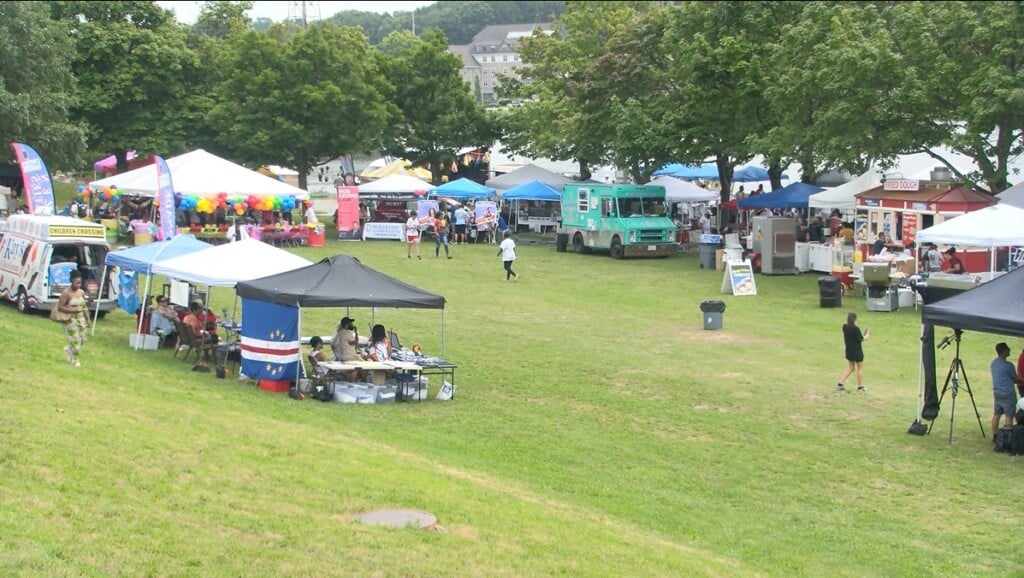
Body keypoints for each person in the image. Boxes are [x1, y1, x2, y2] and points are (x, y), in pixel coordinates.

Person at [54, 270, 90, 366]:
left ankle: (68, 349)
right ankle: (75, 360)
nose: (78, 285)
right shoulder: (66, 293)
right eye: (76, 283)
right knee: (75, 340)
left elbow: (84, 307)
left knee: (82, 339)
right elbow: (60, 307)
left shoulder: (81, 292)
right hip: (70, 320)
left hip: (81, 319)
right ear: (71, 281)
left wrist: (88, 319)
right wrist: (73, 311)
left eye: (80, 283)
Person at [990, 342, 1023, 443]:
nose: (1009, 350)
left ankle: (995, 436)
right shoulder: (1008, 366)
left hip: (997, 392)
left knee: (996, 414)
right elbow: (1015, 379)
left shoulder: (994, 363)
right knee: (1009, 415)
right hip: (1008, 393)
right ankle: (1007, 439)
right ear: (1004, 351)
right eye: (1008, 349)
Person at [836, 311, 869, 392]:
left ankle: (840, 383)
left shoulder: (844, 327)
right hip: (857, 351)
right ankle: (860, 386)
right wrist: (867, 336)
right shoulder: (855, 329)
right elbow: (861, 339)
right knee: (860, 367)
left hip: (849, 350)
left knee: (851, 367)